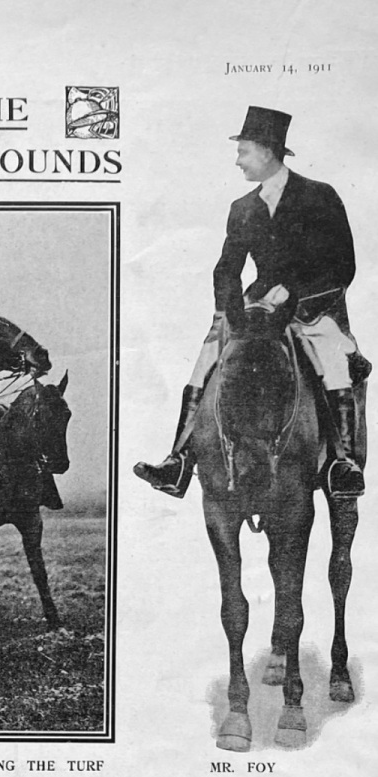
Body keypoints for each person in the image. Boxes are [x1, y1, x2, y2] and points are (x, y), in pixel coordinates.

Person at [135, 106, 365, 501]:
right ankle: (179, 460)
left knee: (332, 362)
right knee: (204, 361)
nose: (237, 160)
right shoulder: (241, 208)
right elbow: (226, 268)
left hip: (314, 307)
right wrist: (232, 312)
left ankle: (343, 463)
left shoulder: (320, 196)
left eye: (243, 151)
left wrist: (292, 294)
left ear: (268, 151)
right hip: (254, 306)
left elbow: (342, 265)